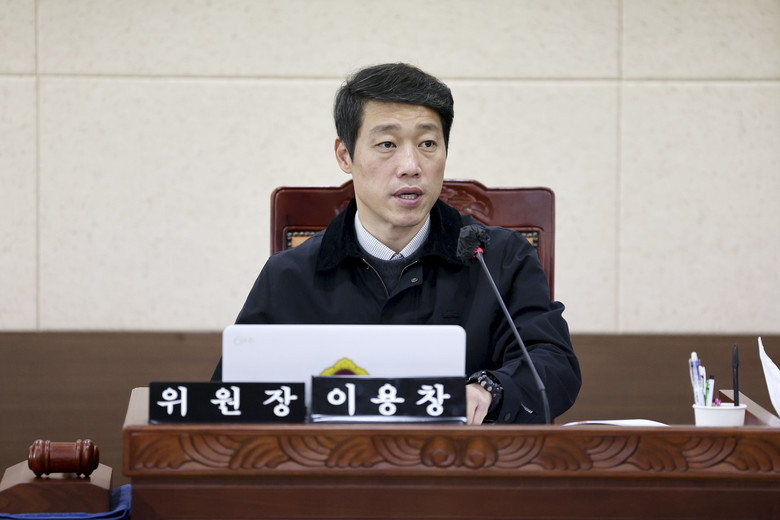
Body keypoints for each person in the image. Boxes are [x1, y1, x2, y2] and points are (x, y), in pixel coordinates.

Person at [212, 63, 581, 424]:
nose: (411, 165)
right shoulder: (290, 274)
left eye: (427, 144)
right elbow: (231, 395)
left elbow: (553, 363)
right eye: (387, 144)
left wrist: (489, 390)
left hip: (462, 461)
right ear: (345, 155)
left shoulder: (498, 258)